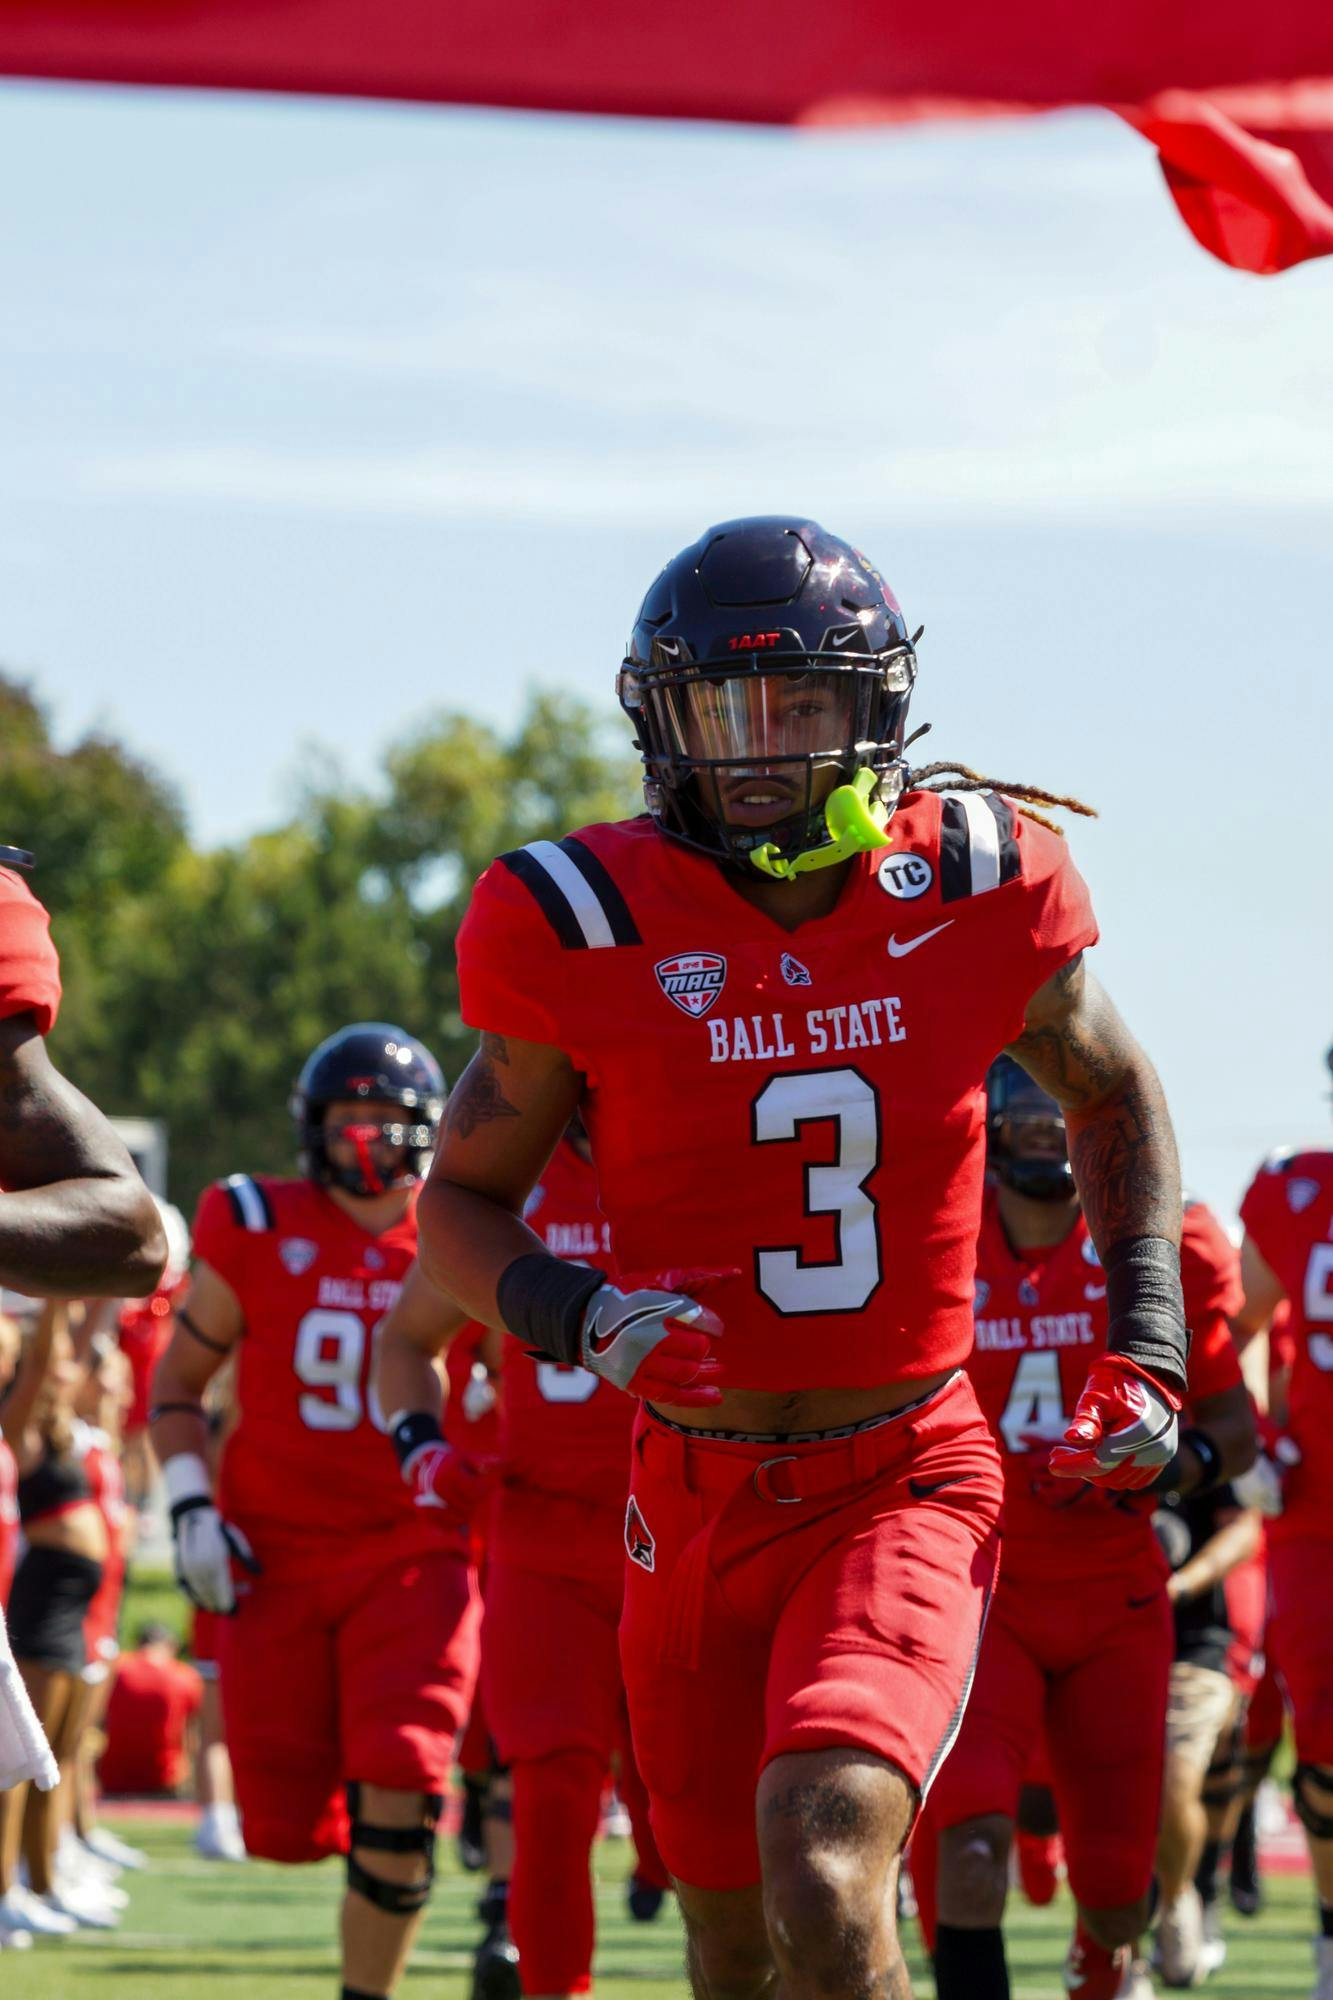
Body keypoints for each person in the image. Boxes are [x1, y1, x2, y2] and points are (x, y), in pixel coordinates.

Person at [415, 516, 1195, 2000]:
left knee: (824, 1871)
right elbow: (454, 1203)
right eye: (724, 709)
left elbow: (1112, 1092)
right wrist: (574, 1314)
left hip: (903, 1469)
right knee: (728, 1942)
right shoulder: (577, 917)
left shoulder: (976, 877)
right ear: (664, 724)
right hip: (687, 1491)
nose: (762, 746)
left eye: (803, 705)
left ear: (874, 710)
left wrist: (1144, 1337)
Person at [151, 1023, 487, 2000]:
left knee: (402, 1791)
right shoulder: (253, 1217)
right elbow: (177, 1386)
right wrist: (188, 1509)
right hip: (276, 1559)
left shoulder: (463, 1228)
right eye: (347, 1118)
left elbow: (518, 1392)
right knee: (286, 1826)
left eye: (385, 1120)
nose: (365, 1140)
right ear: (311, 1126)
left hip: (413, 1553)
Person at [921, 1058, 1255, 2000]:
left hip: (1115, 1592)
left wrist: (1177, 1464)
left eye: (1057, 1124)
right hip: (981, 1589)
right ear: (985, 1132)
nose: (1043, 1139)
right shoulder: (935, 1238)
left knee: (1115, 1894)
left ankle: (1100, 1970)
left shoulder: (1161, 1253)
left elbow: (1234, 1428)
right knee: (973, 1847)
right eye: (1023, 1122)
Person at [377, 1118, 669, 2000]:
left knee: (693, 1805)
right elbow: (406, 1338)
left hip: (686, 1521)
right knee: (549, 1793)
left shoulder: (697, 1148)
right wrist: (420, 1447)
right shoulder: (503, 1180)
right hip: (543, 1532)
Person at [1232, 1046, 1333, 2000]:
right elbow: (1241, 1322)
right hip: (1318, 1518)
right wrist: (1258, 1435)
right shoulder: (1297, 1194)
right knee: (1328, 1740)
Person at [0, 1304, 111, 1937]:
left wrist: (89, 1300)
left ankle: (39, 1879)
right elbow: (45, 1362)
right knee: (16, 1763)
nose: (66, 1365)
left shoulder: (58, 1429)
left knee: (52, 1757)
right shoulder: (18, 1426)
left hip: (68, 1606)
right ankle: (8, 1886)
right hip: (39, 1601)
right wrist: (57, 1294)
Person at [98, 1624, 203, 1797]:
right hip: (166, 1780)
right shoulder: (186, 1676)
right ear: (171, 1646)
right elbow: (192, 1735)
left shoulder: (115, 1669)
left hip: (113, 1779)